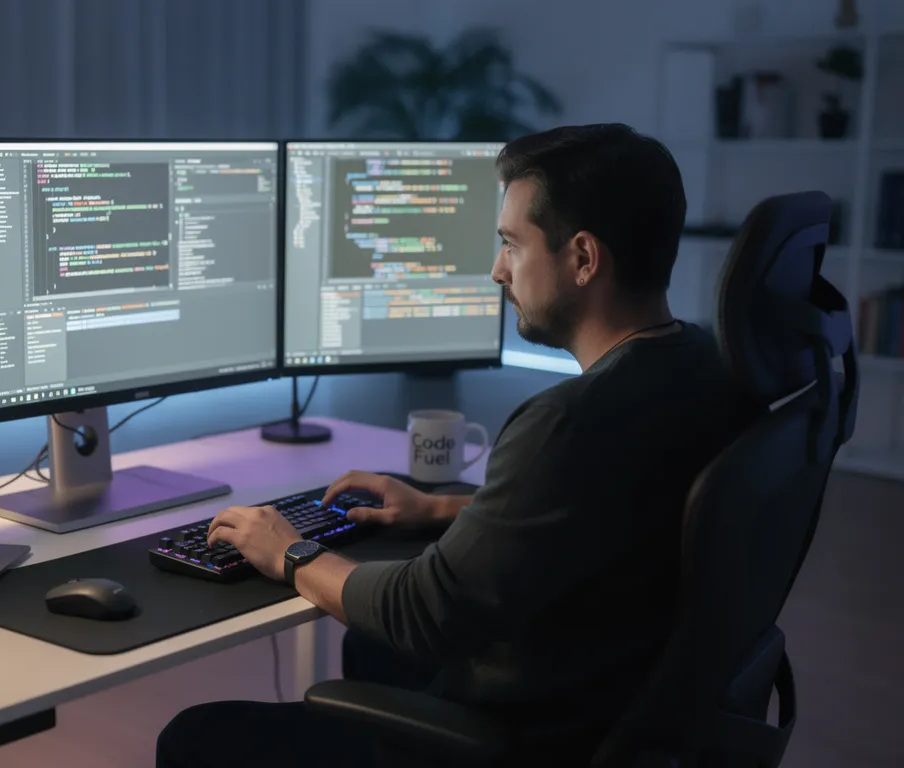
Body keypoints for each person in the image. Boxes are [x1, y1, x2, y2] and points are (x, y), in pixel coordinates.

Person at [155, 123, 760, 768]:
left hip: (532, 735)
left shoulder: (568, 420)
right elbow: (608, 512)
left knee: (194, 739)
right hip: (615, 695)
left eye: (511, 243)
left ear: (584, 259)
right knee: (370, 651)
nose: (496, 269)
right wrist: (441, 508)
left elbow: (422, 611)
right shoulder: (703, 364)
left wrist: (290, 551)